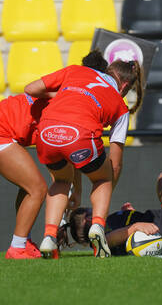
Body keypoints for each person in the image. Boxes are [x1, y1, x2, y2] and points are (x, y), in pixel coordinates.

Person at [25, 50, 144, 259]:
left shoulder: (75, 71)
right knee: (103, 177)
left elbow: (31, 89)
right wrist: (106, 188)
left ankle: (49, 236)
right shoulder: (120, 106)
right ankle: (98, 227)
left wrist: (65, 94)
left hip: (45, 132)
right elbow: (115, 162)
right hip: (80, 136)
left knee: (61, 180)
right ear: (124, 86)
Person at [0, 94, 48, 259]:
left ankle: (23, 242)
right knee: (37, 189)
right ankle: (17, 248)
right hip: (2, 131)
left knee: (30, 188)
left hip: (5, 131)